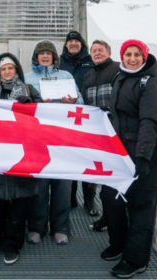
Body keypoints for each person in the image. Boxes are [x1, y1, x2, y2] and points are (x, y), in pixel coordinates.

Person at [103, 39, 157, 279]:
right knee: (111, 198)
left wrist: (142, 156)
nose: (132, 58)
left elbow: (150, 122)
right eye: (128, 54)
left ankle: (135, 259)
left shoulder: (151, 84)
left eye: (136, 55)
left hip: (143, 155)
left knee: (141, 208)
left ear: (145, 57)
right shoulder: (120, 78)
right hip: (119, 154)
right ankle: (118, 244)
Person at [0, 53, 43, 265]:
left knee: (18, 206)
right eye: (3, 69)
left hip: (21, 156)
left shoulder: (29, 91)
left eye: (11, 68)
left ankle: (12, 245)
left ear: (17, 71)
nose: (7, 72)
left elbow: (43, 119)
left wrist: (30, 106)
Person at [23, 40, 82, 246]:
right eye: (41, 53)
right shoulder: (27, 78)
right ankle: (37, 227)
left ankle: (61, 227)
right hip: (36, 138)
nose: (45, 56)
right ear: (36, 57)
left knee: (62, 185)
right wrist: (36, 104)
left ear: (54, 57)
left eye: (49, 53)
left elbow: (80, 103)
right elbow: (20, 105)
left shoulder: (66, 76)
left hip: (61, 138)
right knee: (38, 185)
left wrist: (73, 102)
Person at [80, 40, 122, 224]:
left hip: (113, 128)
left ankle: (110, 214)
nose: (97, 53)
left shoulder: (118, 70)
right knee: (91, 166)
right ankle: (89, 202)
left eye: (100, 50)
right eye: (94, 50)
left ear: (109, 52)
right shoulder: (88, 75)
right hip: (93, 129)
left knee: (111, 169)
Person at [60, 31, 97, 213]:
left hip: (88, 113)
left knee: (88, 157)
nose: (73, 44)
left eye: (76, 41)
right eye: (70, 41)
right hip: (66, 117)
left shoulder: (91, 61)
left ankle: (90, 200)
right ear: (66, 45)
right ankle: (70, 197)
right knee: (70, 155)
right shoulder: (59, 61)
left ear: (81, 44)